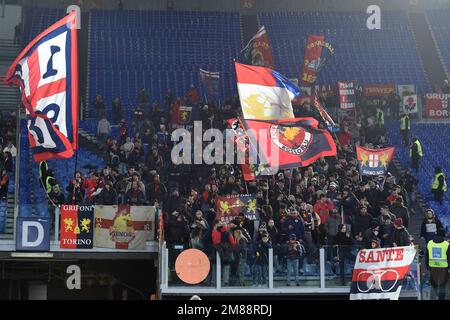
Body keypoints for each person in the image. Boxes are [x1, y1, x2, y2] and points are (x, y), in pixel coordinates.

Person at [426, 229, 450, 300]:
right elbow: (449, 258)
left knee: (434, 286)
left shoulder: (430, 243)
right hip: (443, 269)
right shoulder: (446, 244)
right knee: (442, 286)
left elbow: (427, 257)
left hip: (432, 268)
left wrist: (428, 267)